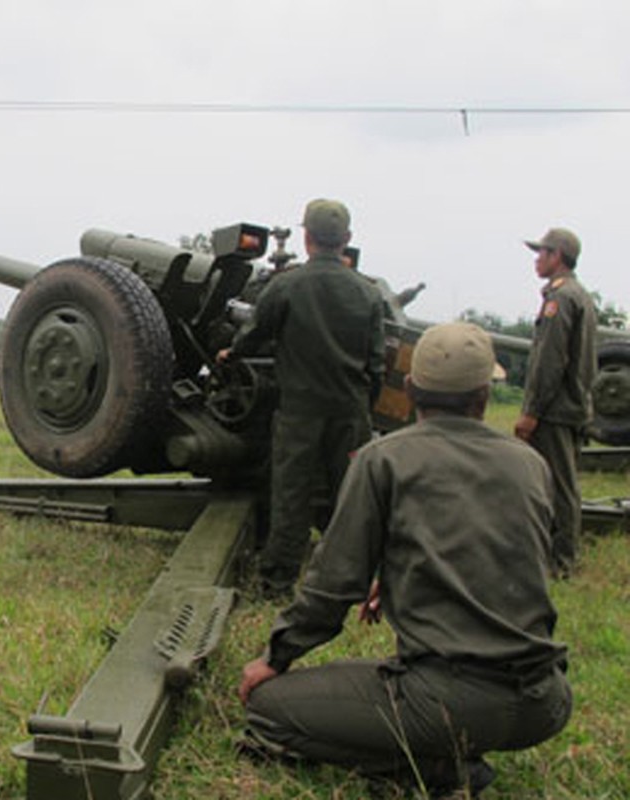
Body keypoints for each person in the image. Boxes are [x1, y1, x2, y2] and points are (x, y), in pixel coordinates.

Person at [238, 322, 571, 798]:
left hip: (445, 703)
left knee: (270, 707)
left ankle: (436, 769)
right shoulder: (530, 463)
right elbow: (502, 549)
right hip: (546, 701)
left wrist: (276, 655)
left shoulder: (383, 458)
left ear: (411, 390)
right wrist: (396, 573)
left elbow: (332, 588)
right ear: (484, 395)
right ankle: (449, 747)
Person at [220, 198, 385, 597]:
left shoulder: (287, 285)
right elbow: (376, 364)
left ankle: (277, 583)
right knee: (349, 499)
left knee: (292, 499)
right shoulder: (368, 293)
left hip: (300, 413)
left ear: (306, 237)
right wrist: (363, 406)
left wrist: (231, 354)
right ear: (346, 239)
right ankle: (358, 579)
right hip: (350, 413)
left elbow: (256, 332)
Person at [514, 227, 597, 576]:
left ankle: (562, 562)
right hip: (570, 406)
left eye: (542, 252)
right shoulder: (579, 295)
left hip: (555, 410)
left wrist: (531, 411)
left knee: (560, 487)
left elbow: (550, 360)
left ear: (557, 256)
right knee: (559, 483)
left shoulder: (559, 299)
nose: (537, 259)